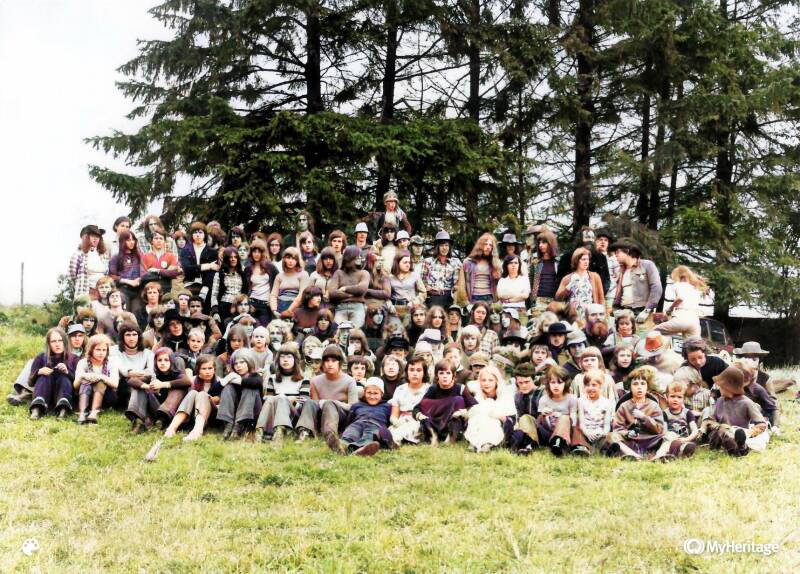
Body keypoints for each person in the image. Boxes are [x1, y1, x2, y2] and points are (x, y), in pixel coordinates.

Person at [294, 345, 359, 443]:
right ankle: (304, 432)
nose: (330, 364)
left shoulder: (350, 381)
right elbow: (315, 405)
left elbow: (353, 407)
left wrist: (333, 402)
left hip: (340, 417)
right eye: (327, 361)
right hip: (321, 415)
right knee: (309, 402)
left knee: (329, 404)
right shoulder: (315, 380)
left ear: (340, 362)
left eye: (334, 361)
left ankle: (331, 435)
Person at [700, 366, 767, 456]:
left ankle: (740, 446)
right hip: (720, 435)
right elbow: (711, 420)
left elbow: (762, 424)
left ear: (729, 387)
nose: (719, 388)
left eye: (721, 386)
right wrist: (718, 426)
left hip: (738, 433)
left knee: (735, 436)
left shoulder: (746, 403)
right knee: (722, 433)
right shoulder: (720, 401)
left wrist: (749, 433)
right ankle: (738, 449)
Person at [413, 359, 477, 446]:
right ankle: (433, 436)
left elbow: (474, 406)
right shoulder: (433, 389)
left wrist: (462, 412)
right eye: (441, 373)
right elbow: (418, 408)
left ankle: (451, 437)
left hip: (453, 421)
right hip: (436, 422)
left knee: (458, 400)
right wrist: (420, 416)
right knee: (426, 415)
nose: (445, 376)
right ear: (437, 375)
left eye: (448, 373)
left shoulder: (460, 388)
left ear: (453, 375)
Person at [126, 347, 191, 433]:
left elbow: (187, 382)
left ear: (171, 361)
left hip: (171, 411)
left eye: (166, 360)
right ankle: (138, 420)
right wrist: (148, 386)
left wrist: (163, 384)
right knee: (137, 388)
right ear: (155, 362)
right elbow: (132, 380)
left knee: (179, 389)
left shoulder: (177, 372)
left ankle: (163, 421)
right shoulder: (154, 374)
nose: (163, 363)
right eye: (159, 360)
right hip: (156, 408)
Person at [255, 342, 310, 442]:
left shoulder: (304, 379)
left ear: (295, 360)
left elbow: (303, 402)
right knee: (275, 398)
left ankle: (280, 431)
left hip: (293, 415)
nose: (285, 360)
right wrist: (288, 398)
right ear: (278, 360)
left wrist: (287, 400)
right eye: (282, 357)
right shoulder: (272, 378)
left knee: (281, 398)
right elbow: (268, 400)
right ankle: (259, 431)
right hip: (274, 413)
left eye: (289, 357)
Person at [161, 354, 223, 442]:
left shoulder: (220, 381)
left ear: (214, 369)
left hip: (212, 414)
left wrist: (209, 399)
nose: (207, 371)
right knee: (193, 393)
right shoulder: (193, 380)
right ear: (198, 370)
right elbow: (187, 401)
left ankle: (197, 431)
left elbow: (221, 402)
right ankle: (171, 428)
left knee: (202, 395)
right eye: (204, 369)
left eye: (210, 368)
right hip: (192, 414)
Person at [609, 366, 666, 460]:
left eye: (643, 384)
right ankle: (633, 455)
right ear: (630, 388)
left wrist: (644, 418)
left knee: (669, 435)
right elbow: (617, 428)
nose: (639, 387)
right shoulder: (624, 406)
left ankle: (659, 455)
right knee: (611, 436)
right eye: (635, 384)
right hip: (630, 440)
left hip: (649, 439)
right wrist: (627, 433)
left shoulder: (654, 405)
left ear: (647, 387)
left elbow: (659, 429)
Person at [327, 377, 394, 456]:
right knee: (351, 433)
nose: (372, 396)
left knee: (369, 436)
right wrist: (345, 428)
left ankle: (361, 449)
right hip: (357, 424)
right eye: (369, 393)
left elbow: (390, 421)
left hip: (375, 425)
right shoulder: (357, 405)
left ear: (382, 394)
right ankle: (342, 445)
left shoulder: (387, 406)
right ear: (364, 392)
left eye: (375, 393)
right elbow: (349, 419)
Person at [464, 364, 517, 452]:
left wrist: (498, 416)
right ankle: (473, 443)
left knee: (491, 419)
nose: (486, 383)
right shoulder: (478, 395)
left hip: (501, 425)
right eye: (483, 380)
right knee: (478, 416)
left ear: (496, 381)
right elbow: (472, 413)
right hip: (480, 423)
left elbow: (512, 420)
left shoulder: (505, 395)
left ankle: (487, 444)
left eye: (490, 380)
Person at [609, 237, 662, 325]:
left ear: (627, 251)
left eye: (618, 252)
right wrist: (616, 309)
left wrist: (647, 310)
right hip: (623, 312)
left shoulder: (647, 265)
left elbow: (656, 288)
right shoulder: (621, 270)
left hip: (641, 312)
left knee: (642, 334)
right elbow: (619, 292)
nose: (616, 255)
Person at [28, 328, 78, 420]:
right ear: (49, 344)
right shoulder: (41, 357)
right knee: (44, 377)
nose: (57, 344)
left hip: (64, 394)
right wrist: (39, 372)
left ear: (65, 342)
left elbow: (78, 383)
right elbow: (30, 382)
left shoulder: (73, 358)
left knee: (64, 378)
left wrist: (67, 372)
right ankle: (37, 409)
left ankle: (63, 410)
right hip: (44, 394)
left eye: (60, 340)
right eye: (53, 341)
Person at [217, 348, 264, 440]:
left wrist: (236, 380)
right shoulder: (232, 376)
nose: (238, 366)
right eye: (235, 363)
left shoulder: (255, 376)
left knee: (249, 388)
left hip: (252, 413)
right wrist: (227, 379)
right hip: (234, 414)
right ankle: (228, 425)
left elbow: (256, 383)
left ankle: (239, 426)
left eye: (242, 362)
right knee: (228, 388)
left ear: (249, 362)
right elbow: (212, 391)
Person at [73, 334, 119, 424]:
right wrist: (83, 376)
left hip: (107, 396)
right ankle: (82, 413)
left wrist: (101, 376)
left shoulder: (111, 363)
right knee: (85, 379)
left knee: (100, 381)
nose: (101, 353)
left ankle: (94, 412)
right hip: (87, 396)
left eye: (104, 350)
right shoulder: (83, 362)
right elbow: (75, 386)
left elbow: (115, 384)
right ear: (91, 350)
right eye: (98, 350)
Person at [569, 368, 615, 456]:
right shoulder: (581, 401)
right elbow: (582, 422)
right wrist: (587, 432)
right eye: (587, 385)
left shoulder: (607, 403)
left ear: (601, 386)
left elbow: (606, 424)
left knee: (609, 436)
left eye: (594, 385)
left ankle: (606, 448)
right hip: (585, 431)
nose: (590, 388)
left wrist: (602, 433)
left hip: (599, 432)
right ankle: (582, 448)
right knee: (576, 429)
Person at [654, 266, 708, 339]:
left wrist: (670, 309)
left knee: (654, 332)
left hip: (681, 319)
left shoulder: (679, 285)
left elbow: (680, 298)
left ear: (678, 276)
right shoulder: (695, 289)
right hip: (694, 322)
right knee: (693, 345)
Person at [652, 379, 699, 460]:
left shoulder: (687, 413)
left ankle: (676, 453)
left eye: (679, 397)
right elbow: (664, 431)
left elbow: (695, 430)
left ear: (684, 399)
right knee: (667, 441)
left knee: (688, 446)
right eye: (672, 396)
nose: (675, 399)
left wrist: (686, 439)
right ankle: (659, 456)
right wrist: (670, 436)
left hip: (683, 440)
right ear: (667, 397)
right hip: (669, 439)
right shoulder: (665, 413)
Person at [535, 365, 577, 456]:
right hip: (548, 430)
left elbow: (574, 419)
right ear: (548, 384)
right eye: (553, 382)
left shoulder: (572, 398)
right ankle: (529, 442)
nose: (556, 386)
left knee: (565, 418)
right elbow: (540, 422)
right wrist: (543, 415)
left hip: (565, 432)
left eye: (560, 382)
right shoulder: (544, 399)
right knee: (530, 418)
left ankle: (558, 443)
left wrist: (562, 418)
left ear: (565, 383)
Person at [555, 247, 604, 322]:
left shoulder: (595, 276)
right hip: (573, 317)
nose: (586, 262)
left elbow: (601, 299)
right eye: (583, 259)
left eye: (587, 259)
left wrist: (602, 316)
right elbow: (558, 298)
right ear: (576, 261)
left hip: (590, 316)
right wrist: (568, 287)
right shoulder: (567, 278)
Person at [388, 356, 429, 444]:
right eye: (411, 370)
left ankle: (394, 442)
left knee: (408, 429)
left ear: (424, 373)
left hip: (419, 421)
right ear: (407, 372)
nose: (415, 373)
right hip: (401, 421)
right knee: (389, 431)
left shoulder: (429, 390)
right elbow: (394, 415)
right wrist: (396, 422)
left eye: (419, 370)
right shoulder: (400, 389)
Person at [180, 222, 220, 311]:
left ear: (205, 235)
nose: (198, 235)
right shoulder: (186, 251)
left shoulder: (212, 252)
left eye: (200, 232)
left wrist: (205, 288)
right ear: (192, 235)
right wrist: (208, 266)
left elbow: (212, 273)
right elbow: (187, 269)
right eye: (195, 232)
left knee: (205, 310)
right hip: (189, 284)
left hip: (206, 286)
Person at [329, 245, 370, 329]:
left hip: (357, 307)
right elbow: (332, 293)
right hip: (341, 308)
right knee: (339, 332)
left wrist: (344, 289)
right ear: (349, 258)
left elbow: (362, 289)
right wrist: (352, 295)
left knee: (355, 333)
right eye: (357, 256)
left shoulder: (364, 273)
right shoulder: (338, 273)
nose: (360, 258)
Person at [505, 363, 541, 455]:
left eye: (527, 382)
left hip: (541, 429)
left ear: (533, 379)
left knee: (525, 418)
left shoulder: (542, 393)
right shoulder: (517, 396)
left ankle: (529, 445)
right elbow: (518, 416)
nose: (524, 385)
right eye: (520, 383)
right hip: (524, 428)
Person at [421, 230, 462, 309]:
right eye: (442, 245)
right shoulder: (427, 262)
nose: (444, 248)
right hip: (432, 297)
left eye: (446, 245)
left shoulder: (456, 262)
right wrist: (426, 287)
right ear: (437, 247)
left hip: (449, 298)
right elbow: (422, 281)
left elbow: (458, 282)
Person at [244, 238, 279, 327]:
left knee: (263, 329)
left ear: (263, 253)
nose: (256, 254)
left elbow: (279, 283)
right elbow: (244, 288)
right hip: (252, 304)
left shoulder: (270, 267)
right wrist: (248, 303)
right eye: (254, 251)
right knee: (250, 329)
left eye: (259, 252)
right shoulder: (248, 269)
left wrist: (273, 300)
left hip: (265, 305)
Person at [109, 230, 145, 314]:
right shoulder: (116, 257)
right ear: (123, 241)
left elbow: (144, 271)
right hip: (123, 290)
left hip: (137, 291)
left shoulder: (138, 256)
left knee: (136, 315)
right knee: (123, 315)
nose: (132, 242)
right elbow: (112, 276)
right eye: (128, 240)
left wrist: (140, 279)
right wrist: (128, 281)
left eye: (133, 240)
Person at [69, 225, 110, 300]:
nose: (95, 238)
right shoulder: (78, 254)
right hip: (86, 291)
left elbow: (107, 272)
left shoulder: (102, 254)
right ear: (86, 237)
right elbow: (72, 274)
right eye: (93, 236)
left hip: (103, 292)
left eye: (98, 236)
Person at [211, 247, 249, 324]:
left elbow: (245, 292)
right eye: (230, 257)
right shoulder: (220, 274)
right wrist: (215, 312)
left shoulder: (242, 274)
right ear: (226, 259)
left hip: (239, 307)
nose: (233, 259)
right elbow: (214, 295)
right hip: (224, 306)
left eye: (235, 257)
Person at [460, 233, 500, 304]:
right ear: (480, 245)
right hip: (473, 298)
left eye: (490, 245)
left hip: (489, 298)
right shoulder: (468, 262)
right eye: (486, 244)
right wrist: (466, 301)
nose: (488, 247)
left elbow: (498, 283)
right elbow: (464, 283)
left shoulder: (494, 263)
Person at [140, 227, 181, 296]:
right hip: (150, 289)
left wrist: (158, 271)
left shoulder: (171, 256)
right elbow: (143, 275)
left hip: (166, 288)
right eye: (156, 238)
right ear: (151, 241)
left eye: (161, 238)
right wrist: (165, 272)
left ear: (165, 241)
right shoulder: (145, 257)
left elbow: (173, 273)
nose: (158, 241)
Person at [270, 246, 309, 319]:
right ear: (284, 259)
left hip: (296, 308)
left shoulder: (303, 274)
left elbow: (301, 295)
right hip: (280, 307)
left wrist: (288, 311)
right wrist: (274, 310)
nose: (290, 261)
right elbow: (273, 295)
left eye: (293, 258)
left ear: (297, 260)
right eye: (288, 258)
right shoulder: (279, 276)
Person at [529, 229, 559, 317]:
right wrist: (533, 303)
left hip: (554, 302)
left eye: (544, 242)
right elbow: (532, 284)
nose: (540, 245)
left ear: (551, 243)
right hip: (538, 302)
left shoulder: (558, 262)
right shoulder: (536, 263)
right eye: (539, 243)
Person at [387, 250, 426, 317]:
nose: (408, 265)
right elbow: (385, 295)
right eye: (405, 262)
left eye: (409, 262)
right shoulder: (390, 277)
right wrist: (390, 306)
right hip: (394, 310)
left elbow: (424, 293)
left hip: (410, 309)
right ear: (397, 262)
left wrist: (414, 303)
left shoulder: (415, 276)